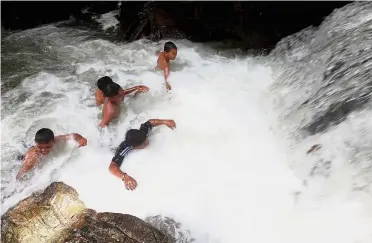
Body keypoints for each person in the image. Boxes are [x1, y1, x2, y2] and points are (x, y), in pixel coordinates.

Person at [108, 119, 176, 190]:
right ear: (135, 147)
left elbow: (150, 122)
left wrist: (164, 122)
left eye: (146, 139)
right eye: (144, 143)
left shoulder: (142, 134)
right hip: (112, 145)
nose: (148, 142)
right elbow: (112, 167)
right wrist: (124, 177)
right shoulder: (125, 149)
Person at [16, 128, 87, 180]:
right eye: (40, 147)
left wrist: (80, 139)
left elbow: (73, 135)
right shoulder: (32, 158)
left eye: (48, 147)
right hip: (25, 157)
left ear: (53, 141)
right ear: (35, 142)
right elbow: (19, 176)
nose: (43, 150)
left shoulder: (57, 139)